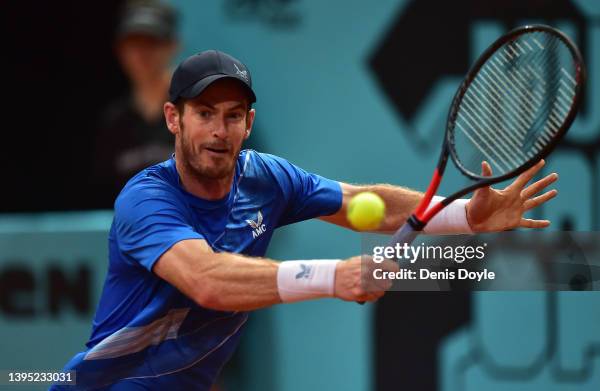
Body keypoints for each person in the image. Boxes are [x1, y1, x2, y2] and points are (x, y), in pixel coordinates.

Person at [53, 50, 558, 390]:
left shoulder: (265, 178)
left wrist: (466, 214)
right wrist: (334, 276)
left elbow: (365, 202)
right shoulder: (145, 199)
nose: (218, 129)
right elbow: (207, 282)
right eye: (204, 113)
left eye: (233, 115)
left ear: (249, 124)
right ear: (173, 119)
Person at [91, 0, 179, 207]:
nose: (142, 54)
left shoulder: (196, 112)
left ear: (172, 45)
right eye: (134, 43)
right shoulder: (114, 122)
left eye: (152, 42)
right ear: (120, 50)